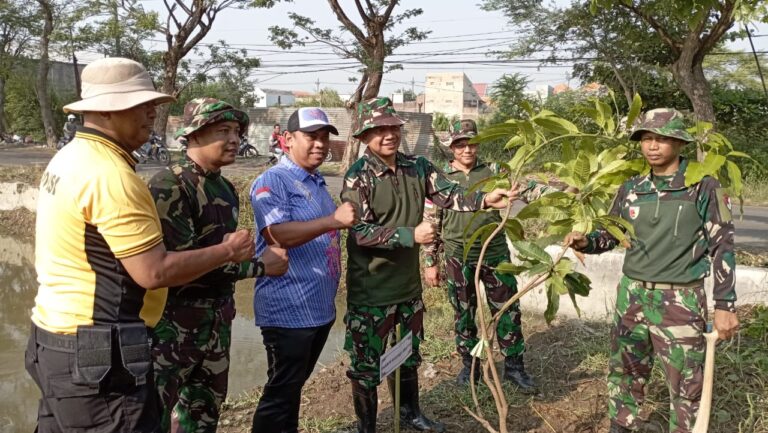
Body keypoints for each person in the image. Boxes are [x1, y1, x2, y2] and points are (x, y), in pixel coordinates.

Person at [26, 57, 255, 433]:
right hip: (98, 348)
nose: (152, 113)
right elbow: (154, 272)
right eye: (140, 104)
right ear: (105, 110)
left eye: (153, 104)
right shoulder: (112, 175)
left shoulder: (69, 157)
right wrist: (229, 251)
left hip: (56, 338)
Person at [340, 98, 519, 433]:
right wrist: (412, 234)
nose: (388, 135)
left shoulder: (417, 167)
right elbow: (360, 232)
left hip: (407, 287)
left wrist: (485, 199)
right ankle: (367, 427)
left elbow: (450, 194)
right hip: (371, 290)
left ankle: (410, 412)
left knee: (407, 354)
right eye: (379, 130)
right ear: (365, 136)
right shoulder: (358, 177)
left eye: (392, 127)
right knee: (366, 367)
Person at [563, 109, 739, 433]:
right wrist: (585, 241)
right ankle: (621, 427)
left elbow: (723, 247)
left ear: (678, 142)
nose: (652, 146)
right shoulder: (631, 188)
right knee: (624, 371)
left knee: (686, 383)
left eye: (660, 139)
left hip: (680, 300)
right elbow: (612, 235)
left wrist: (725, 306)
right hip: (632, 296)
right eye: (646, 139)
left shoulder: (703, 187)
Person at [148, 98, 290, 433]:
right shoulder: (170, 185)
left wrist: (244, 260)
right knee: (152, 414)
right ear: (194, 135)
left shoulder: (224, 187)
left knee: (205, 413)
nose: (234, 139)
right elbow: (181, 266)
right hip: (174, 328)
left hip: (216, 323)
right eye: (222, 130)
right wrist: (260, 267)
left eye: (237, 132)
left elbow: (228, 253)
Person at [422, 119, 553, 390]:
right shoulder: (441, 178)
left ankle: (514, 368)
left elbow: (526, 188)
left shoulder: (495, 171)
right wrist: (430, 261)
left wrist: (556, 197)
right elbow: (432, 220)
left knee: (507, 310)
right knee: (464, 313)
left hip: (495, 254)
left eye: (471, 143)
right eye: (460, 144)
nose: (467, 149)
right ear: (451, 147)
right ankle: (470, 368)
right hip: (458, 256)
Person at [249, 107, 357, 433]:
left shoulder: (314, 181)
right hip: (289, 311)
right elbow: (276, 233)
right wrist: (332, 220)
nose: (320, 144)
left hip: (317, 310)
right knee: (280, 393)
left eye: (324, 137)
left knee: (292, 387)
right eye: (311, 136)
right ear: (286, 139)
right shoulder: (273, 181)